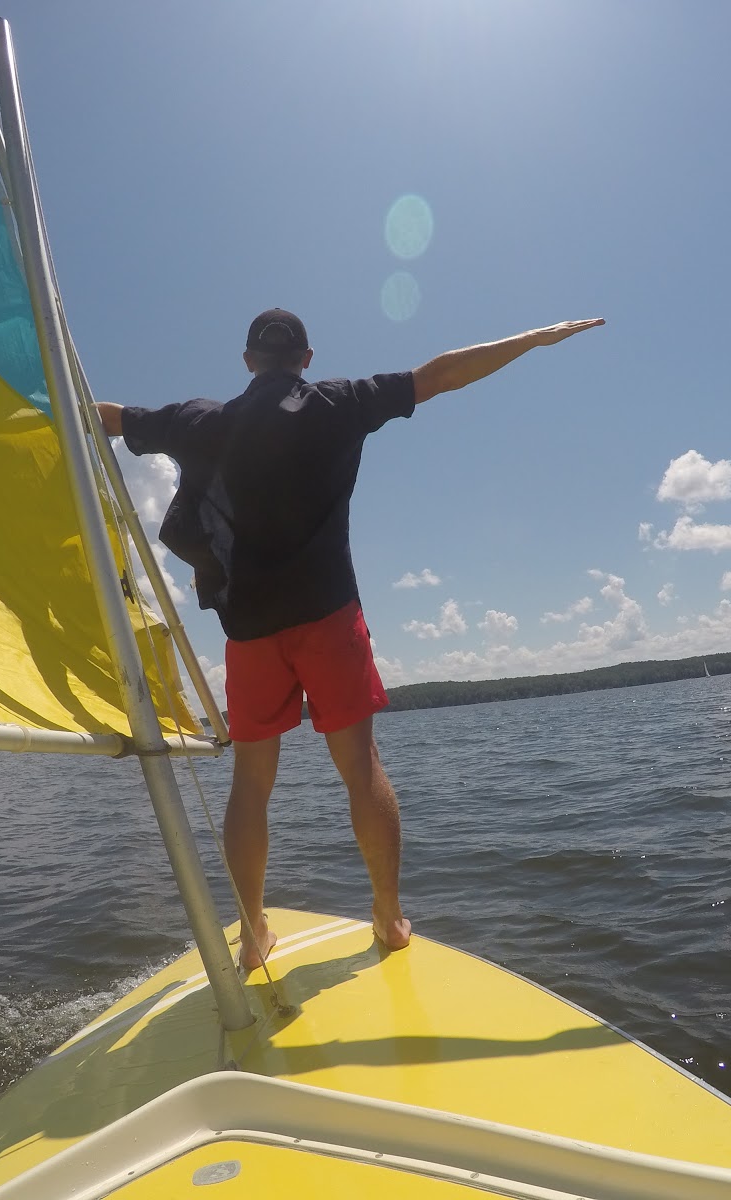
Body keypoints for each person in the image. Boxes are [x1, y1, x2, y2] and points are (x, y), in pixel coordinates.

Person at [97, 309, 603, 970]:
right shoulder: (338, 403)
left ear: (248, 361)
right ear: (306, 358)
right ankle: (388, 918)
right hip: (329, 618)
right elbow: (440, 375)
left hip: (249, 633)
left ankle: (252, 934)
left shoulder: (199, 421)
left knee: (251, 782)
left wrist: (28, 400)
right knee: (361, 770)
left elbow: (107, 417)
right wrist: (532, 339)